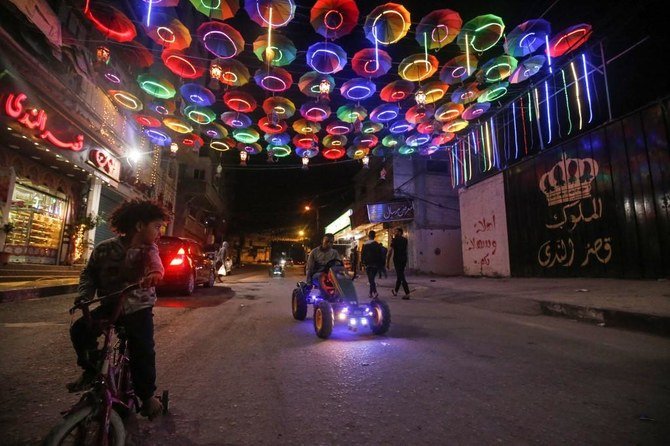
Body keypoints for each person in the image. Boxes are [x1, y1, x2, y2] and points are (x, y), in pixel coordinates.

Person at [68, 199, 169, 420]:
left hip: (138, 309)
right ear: (140, 226)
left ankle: (147, 398)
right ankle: (91, 369)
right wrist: (84, 297)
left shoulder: (148, 250)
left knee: (142, 350)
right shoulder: (104, 249)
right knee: (80, 330)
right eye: (157, 226)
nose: (159, 232)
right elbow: (89, 274)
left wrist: (154, 275)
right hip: (110, 306)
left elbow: (156, 266)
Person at [387, 227, 410, 299]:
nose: (395, 233)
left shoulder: (395, 240)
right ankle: (396, 291)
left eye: (396, 232)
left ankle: (407, 293)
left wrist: (387, 262)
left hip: (397, 260)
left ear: (400, 232)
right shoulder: (405, 240)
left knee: (401, 275)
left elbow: (390, 251)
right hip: (404, 259)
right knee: (400, 275)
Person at [361, 230, 384, 299]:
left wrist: (362, 263)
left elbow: (362, 255)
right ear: (374, 236)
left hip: (368, 264)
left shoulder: (365, 244)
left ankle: (374, 292)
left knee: (370, 279)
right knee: (372, 278)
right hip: (375, 264)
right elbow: (380, 255)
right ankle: (371, 293)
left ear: (369, 236)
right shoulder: (376, 244)